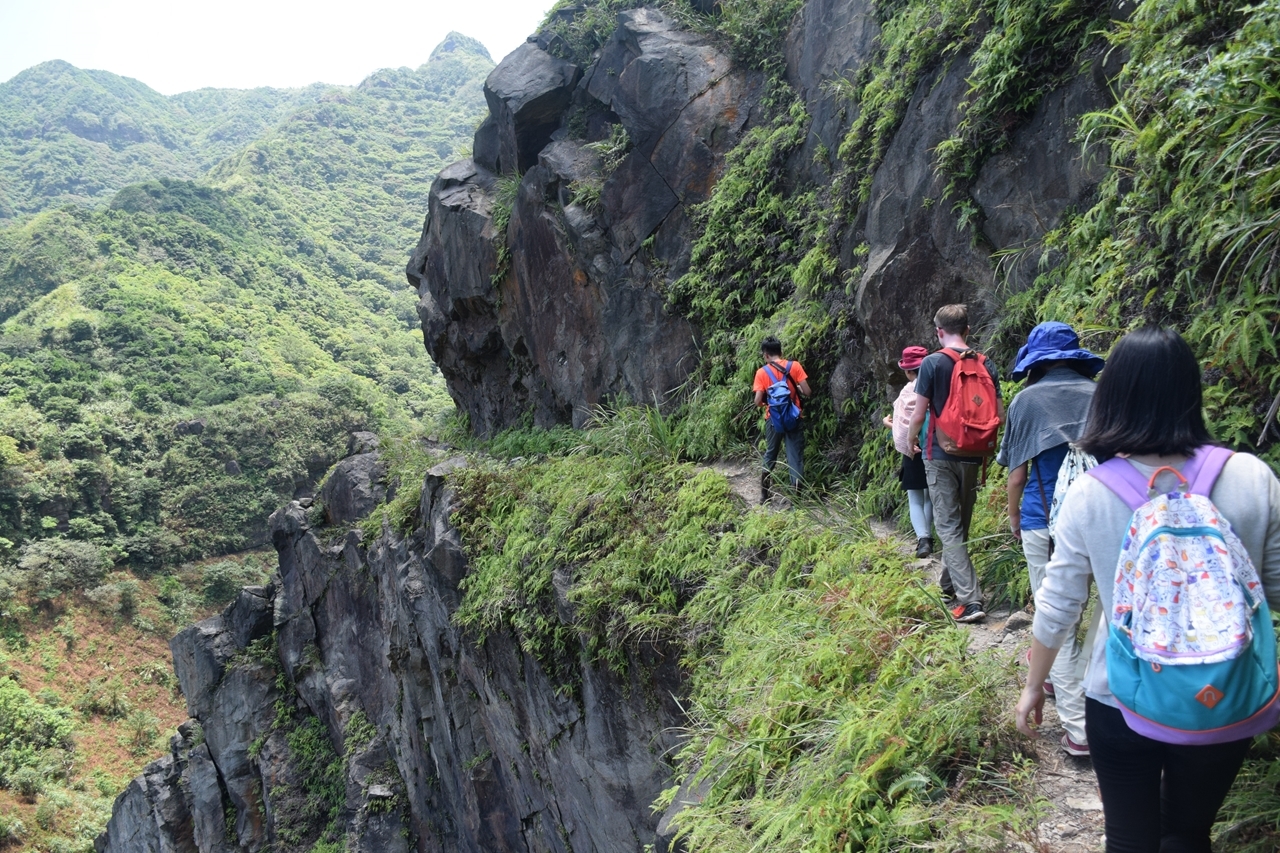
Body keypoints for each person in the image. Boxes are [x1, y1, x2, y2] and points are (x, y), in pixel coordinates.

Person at [1015, 327, 1280, 852]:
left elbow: (1058, 606)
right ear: (1191, 391)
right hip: (1223, 693)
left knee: (1130, 839)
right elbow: (1271, 590)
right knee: (1186, 832)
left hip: (1120, 697)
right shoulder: (1252, 476)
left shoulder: (1091, 494)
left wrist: (1033, 685)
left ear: (1111, 397)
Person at [997, 321, 1104, 757]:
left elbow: (1016, 474)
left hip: (1044, 521)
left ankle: (1078, 730)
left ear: (1036, 362)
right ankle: (1090, 700)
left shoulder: (1027, 401)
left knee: (1053, 614)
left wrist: (1014, 518)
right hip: (1103, 520)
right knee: (1101, 615)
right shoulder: (1102, 394)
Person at [907, 304, 1001, 623]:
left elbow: (919, 413)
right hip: (974, 452)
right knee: (959, 525)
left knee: (948, 527)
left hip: (940, 451)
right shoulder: (986, 364)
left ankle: (970, 600)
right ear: (968, 330)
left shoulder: (932, 363)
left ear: (938, 331)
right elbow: (997, 411)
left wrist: (910, 439)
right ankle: (949, 586)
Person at [883, 345, 934, 557]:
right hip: (936, 446)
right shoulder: (937, 385)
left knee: (915, 497)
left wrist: (889, 424)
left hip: (913, 448)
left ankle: (923, 539)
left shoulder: (907, 392)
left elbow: (904, 425)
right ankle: (931, 535)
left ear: (907, 371)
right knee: (931, 495)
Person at [753, 336, 811, 501]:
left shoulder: (762, 372)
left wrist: (768, 399)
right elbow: (807, 392)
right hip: (794, 417)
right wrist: (796, 388)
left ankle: (765, 496)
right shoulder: (795, 366)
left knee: (771, 454)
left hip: (773, 420)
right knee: (795, 458)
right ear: (780, 351)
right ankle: (796, 501)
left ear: (766, 355)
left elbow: (757, 401)